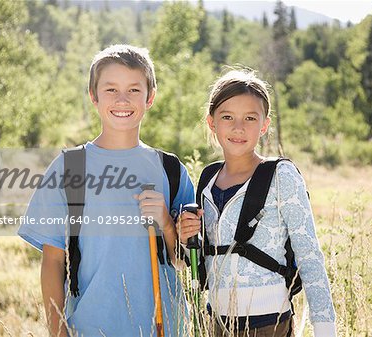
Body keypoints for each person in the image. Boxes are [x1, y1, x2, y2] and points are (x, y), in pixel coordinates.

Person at [18, 44, 194, 337]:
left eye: (134, 90)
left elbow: (183, 260)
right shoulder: (69, 167)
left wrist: (165, 221)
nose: (122, 99)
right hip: (90, 325)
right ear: (93, 96)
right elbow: (52, 261)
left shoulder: (170, 169)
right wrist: (58, 331)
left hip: (165, 326)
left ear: (150, 97)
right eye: (111, 89)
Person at [178, 69, 336, 336]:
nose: (238, 127)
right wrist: (186, 239)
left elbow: (310, 257)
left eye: (250, 118)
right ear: (211, 123)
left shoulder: (280, 175)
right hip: (216, 322)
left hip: (268, 323)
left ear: (264, 125)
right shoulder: (207, 179)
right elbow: (202, 263)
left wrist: (325, 330)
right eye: (227, 117)